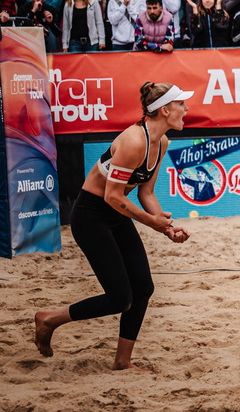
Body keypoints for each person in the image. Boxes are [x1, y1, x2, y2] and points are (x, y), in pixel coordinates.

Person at [33, 82, 191, 370]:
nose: (186, 109)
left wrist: (167, 227)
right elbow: (112, 195)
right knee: (119, 297)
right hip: (91, 215)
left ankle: (122, 361)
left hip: (114, 213)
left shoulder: (162, 142)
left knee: (142, 288)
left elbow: (145, 193)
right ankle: (49, 319)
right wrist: (152, 224)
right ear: (165, 110)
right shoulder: (134, 141)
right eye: (181, 104)